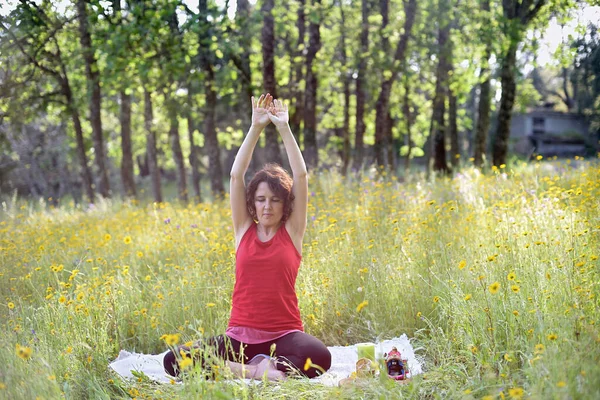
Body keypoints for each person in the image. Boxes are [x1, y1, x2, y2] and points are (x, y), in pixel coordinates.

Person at [163, 94, 331, 380]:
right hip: (239, 339)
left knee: (320, 357)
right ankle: (255, 371)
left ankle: (245, 369)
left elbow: (301, 177)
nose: (268, 206)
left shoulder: (292, 231)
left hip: (284, 335)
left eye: (276, 200)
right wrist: (255, 127)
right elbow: (235, 176)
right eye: (261, 199)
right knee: (174, 360)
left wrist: (283, 127)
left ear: (285, 204)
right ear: (252, 202)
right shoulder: (243, 230)